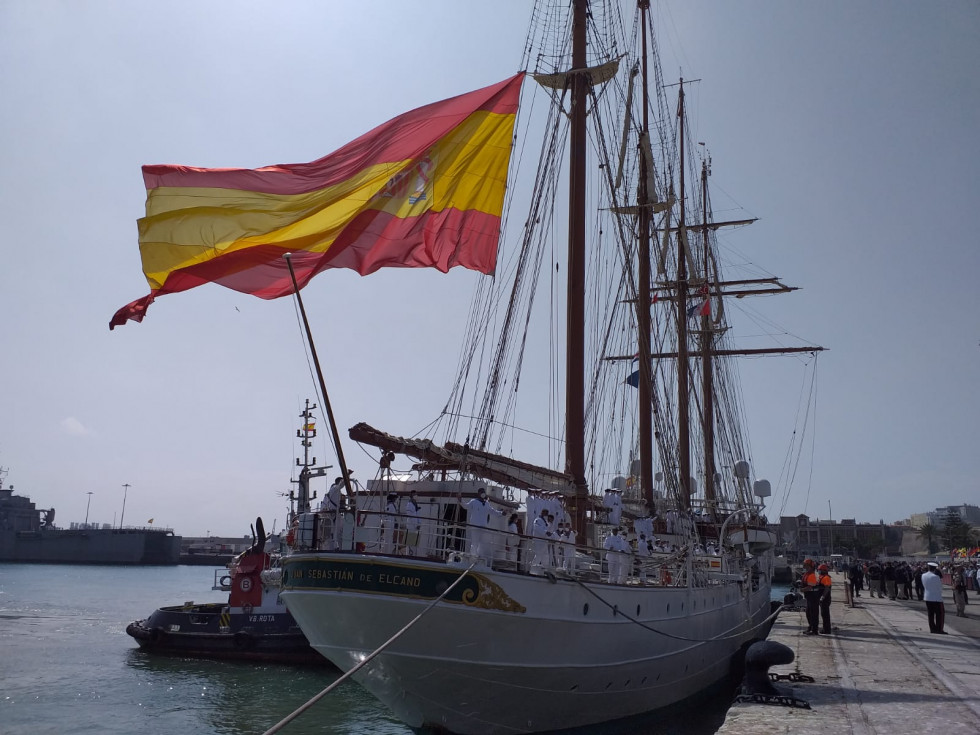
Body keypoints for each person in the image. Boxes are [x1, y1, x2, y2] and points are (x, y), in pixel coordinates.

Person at [461, 488, 506, 564]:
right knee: (474, 543)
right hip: (475, 526)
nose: (483, 493)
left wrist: (501, 513)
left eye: (484, 492)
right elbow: (466, 506)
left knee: (482, 543)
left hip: (483, 527)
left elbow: (493, 511)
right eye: (481, 492)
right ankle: (473, 559)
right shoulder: (474, 502)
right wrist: (460, 500)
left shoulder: (487, 504)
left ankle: (480, 558)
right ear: (478, 493)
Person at [319, 475, 346, 550]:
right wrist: (347, 475)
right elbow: (341, 484)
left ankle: (337, 548)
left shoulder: (334, 491)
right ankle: (334, 548)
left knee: (337, 533)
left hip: (334, 515)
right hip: (332, 516)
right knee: (333, 534)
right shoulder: (335, 489)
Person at [922, 562, 947, 634]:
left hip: (927, 596)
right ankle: (939, 629)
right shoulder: (936, 577)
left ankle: (932, 628)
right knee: (940, 614)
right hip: (936, 598)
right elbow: (940, 588)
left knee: (930, 614)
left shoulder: (923, 575)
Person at [800, 559, 821, 635]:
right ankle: (811, 627)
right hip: (809, 597)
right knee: (808, 612)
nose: (804, 566)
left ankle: (814, 630)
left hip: (813, 597)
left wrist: (802, 589)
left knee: (813, 613)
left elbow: (810, 587)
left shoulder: (812, 575)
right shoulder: (807, 574)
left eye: (806, 565)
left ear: (810, 566)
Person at [401, 491, 422, 556]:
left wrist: (419, 524)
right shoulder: (410, 504)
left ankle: (414, 554)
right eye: (415, 494)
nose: (416, 495)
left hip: (415, 526)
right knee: (410, 542)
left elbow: (417, 514)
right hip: (411, 525)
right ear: (412, 495)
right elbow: (410, 514)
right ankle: (410, 554)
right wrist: (416, 524)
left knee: (414, 541)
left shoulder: (415, 504)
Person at [817, 563, 833, 634]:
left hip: (825, 599)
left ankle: (827, 630)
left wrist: (822, 597)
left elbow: (827, 588)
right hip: (822, 598)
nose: (819, 571)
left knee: (825, 614)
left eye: (820, 570)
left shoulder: (826, 578)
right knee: (823, 614)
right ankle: (825, 628)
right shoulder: (822, 577)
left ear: (824, 570)